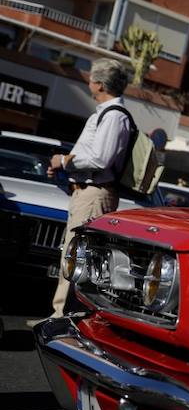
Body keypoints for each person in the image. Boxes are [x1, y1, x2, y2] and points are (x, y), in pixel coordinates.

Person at [43, 60, 134, 319]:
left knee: (78, 258)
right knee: (74, 256)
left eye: (92, 79)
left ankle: (63, 320)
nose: (89, 83)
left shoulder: (113, 116)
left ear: (101, 84)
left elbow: (100, 159)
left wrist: (64, 161)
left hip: (94, 195)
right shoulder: (106, 113)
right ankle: (61, 315)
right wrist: (68, 169)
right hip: (88, 192)